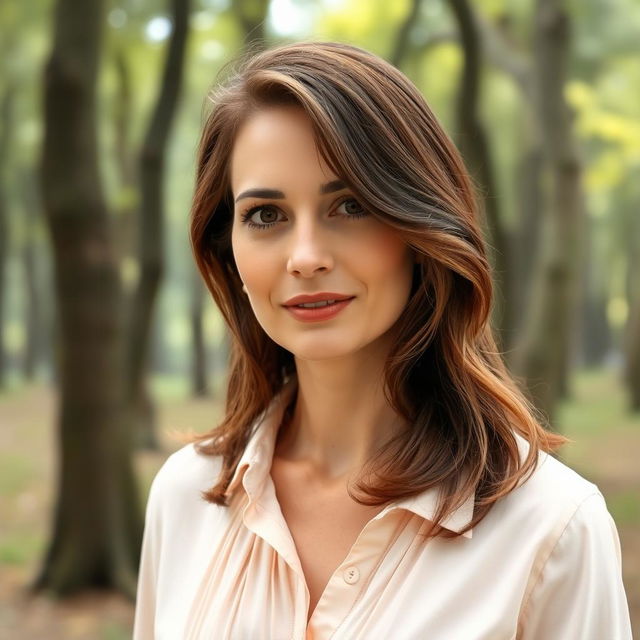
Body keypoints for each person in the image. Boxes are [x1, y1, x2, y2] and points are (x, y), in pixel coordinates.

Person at [132, 42, 632, 639]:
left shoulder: (551, 530)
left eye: (349, 205)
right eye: (266, 215)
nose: (307, 257)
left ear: (421, 224)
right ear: (227, 249)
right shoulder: (185, 496)